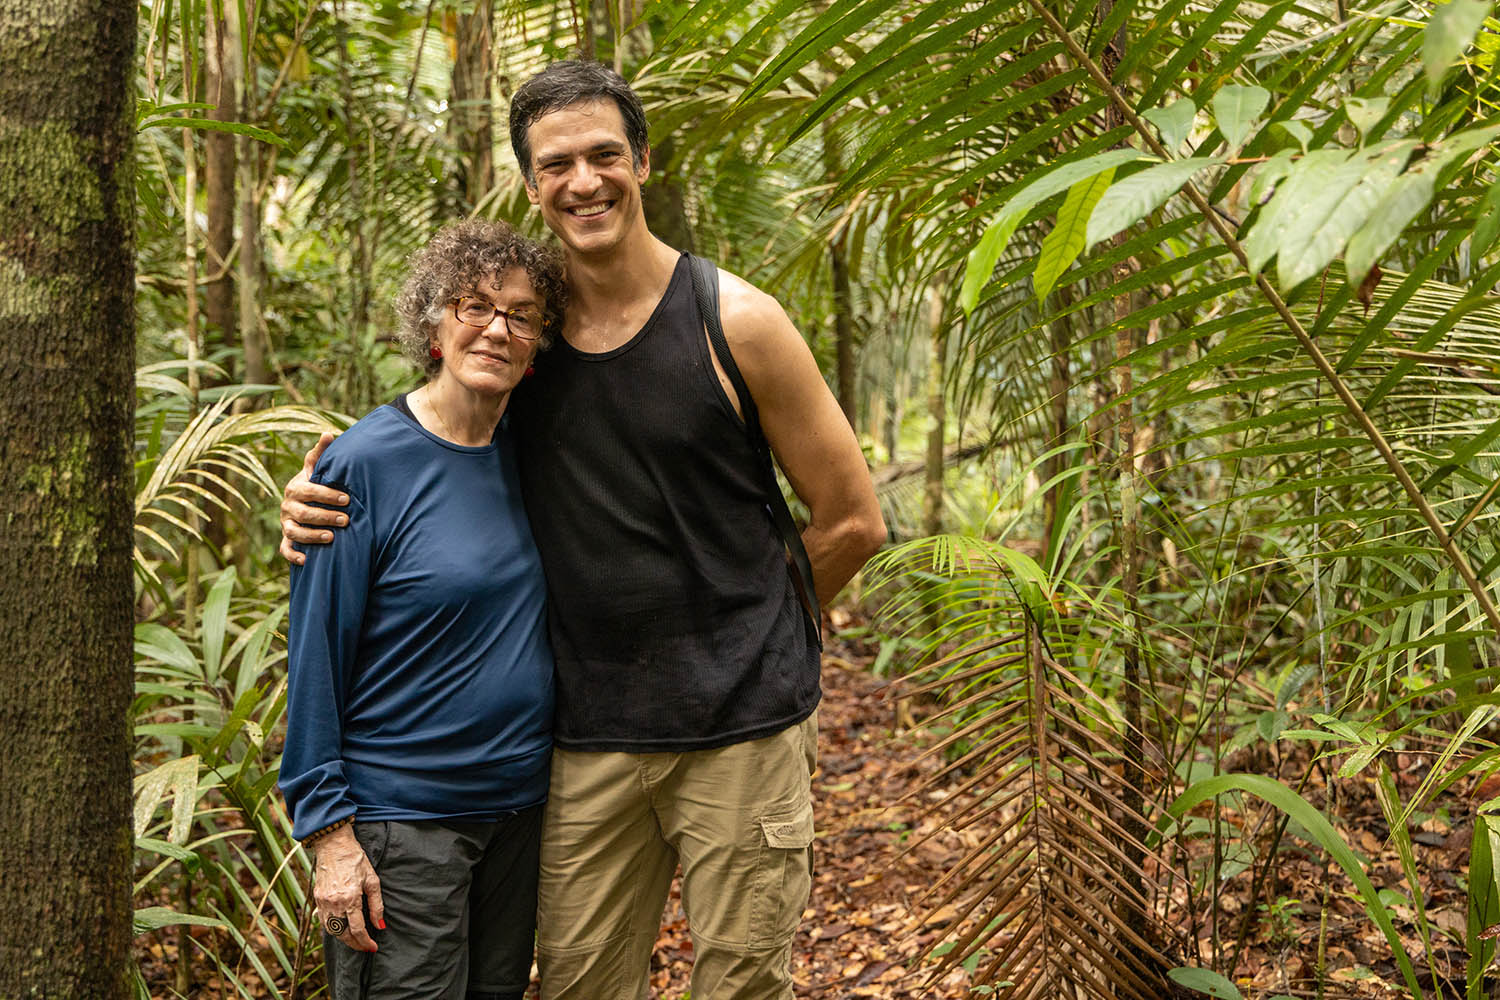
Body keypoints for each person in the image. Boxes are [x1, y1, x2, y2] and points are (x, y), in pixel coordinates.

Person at [281, 61, 887, 1000]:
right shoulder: (532, 335)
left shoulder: (739, 321)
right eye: (557, 163)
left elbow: (852, 522)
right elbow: (443, 434)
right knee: (578, 984)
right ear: (533, 183)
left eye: (605, 154)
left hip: (740, 733)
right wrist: (331, 476)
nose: (584, 180)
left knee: (739, 983)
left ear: (642, 162)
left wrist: (757, 629)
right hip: (582, 743)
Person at [279, 220, 568, 1000]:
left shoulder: (537, 450)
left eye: (521, 314)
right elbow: (314, 655)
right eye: (473, 305)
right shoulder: (364, 463)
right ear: (434, 321)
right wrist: (330, 838)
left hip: (518, 813)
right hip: (403, 825)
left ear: (539, 342)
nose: (496, 328)